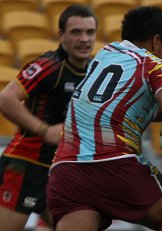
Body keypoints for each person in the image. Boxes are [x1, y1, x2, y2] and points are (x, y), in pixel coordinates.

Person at [46, 6, 162, 231]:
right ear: (157, 41)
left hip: (66, 170)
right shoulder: (156, 65)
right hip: (114, 166)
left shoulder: (104, 56)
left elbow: (118, 108)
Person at [0, 4, 98, 231]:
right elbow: (6, 99)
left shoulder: (95, 72)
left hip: (63, 170)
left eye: (90, 32)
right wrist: (45, 130)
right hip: (26, 164)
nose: (84, 39)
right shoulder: (48, 66)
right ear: (61, 35)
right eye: (76, 32)